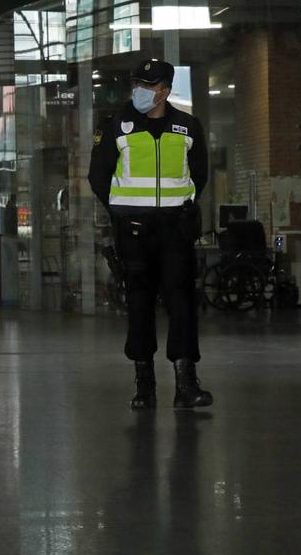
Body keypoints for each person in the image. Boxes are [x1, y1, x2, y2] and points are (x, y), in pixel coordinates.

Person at [88, 58, 212, 410]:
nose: (140, 91)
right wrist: (122, 213)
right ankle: (145, 385)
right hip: (134, 232)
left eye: (148, 86)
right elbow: (98, 177)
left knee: (182, 305)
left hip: (175, 230)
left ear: (165, 91)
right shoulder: (117, 127)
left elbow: (199, 175)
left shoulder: (187, 127)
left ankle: (186, 383)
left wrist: (182, 206)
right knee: (139, 306)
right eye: (137, 85)